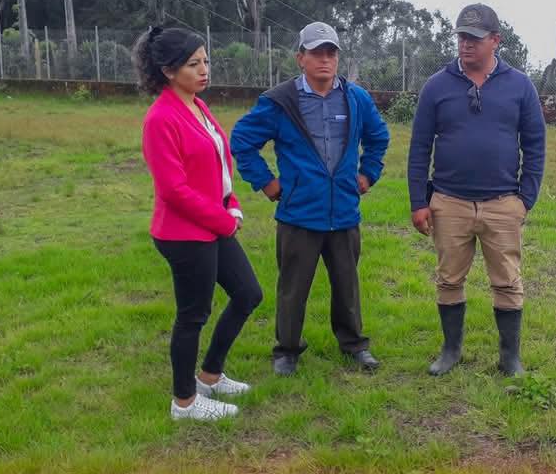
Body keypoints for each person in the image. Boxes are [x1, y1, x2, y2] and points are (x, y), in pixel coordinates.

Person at [230, 21, 390, 376]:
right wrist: (266, 182)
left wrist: (368, 174)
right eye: (317, 53)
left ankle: (354, 344)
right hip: (299, 213)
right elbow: (241, 141)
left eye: (331, 52)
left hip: (343, 211)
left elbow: (378, 138)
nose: (325, 59)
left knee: (347, 285)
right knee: (293, 287)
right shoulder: (280, 101)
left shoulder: (356, 98)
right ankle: (287, 350)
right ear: (300, 58)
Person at [408, 3, 546, 377]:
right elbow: (419, 147)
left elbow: (535, 144)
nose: (466, 44)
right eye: (462, 37)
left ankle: (510, 358)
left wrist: (525, 199)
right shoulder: (436, 86)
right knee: (449, 279)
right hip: (448, 201)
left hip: (503, 203)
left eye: (475, 38)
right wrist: (419, 201)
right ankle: (451, 350)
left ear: (495, 40)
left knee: (507, 281)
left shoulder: (520, 86)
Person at [138, 26, 263, 421]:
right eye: (194, 64)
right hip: (183, 234)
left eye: (206, 61)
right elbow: (173, 190)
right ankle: (185, 402)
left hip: (212, 224)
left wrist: (233, 205)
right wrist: (223, 221)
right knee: (193, 315)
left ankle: (209, 375)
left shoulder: (198, 105)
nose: (204, 70)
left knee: (248, 294)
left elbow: (218, 164)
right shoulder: (161, 118)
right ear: (168, 70)